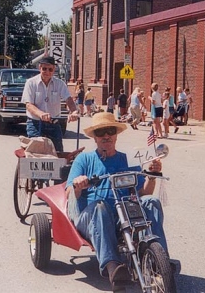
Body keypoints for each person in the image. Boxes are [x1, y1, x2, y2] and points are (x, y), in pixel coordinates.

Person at [66, 112, 166, 291]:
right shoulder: (84, 159)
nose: (106, 136)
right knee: (100, 207)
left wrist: (152, 176)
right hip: (91, 218)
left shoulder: (127, 160)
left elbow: (143, 192)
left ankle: (159, 260)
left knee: (151, 201)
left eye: (110, 131)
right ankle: (113, 268)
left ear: (116, 135)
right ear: (95, 138)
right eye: (101, 132)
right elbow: (68, 193)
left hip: (123, 215)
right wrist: (78, 184)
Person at [22, 56, 80, 152]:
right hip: (35, 123)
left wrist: (74, 112)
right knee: (35, 153)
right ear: (40, 68)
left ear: (54, 69)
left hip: (54, 123)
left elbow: (69, 99)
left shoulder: (60, 84)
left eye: (50, 69)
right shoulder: (30, 83)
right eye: (44, 69)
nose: (47, 72)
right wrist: (41, 114)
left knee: (57, 153)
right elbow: (28, 105)